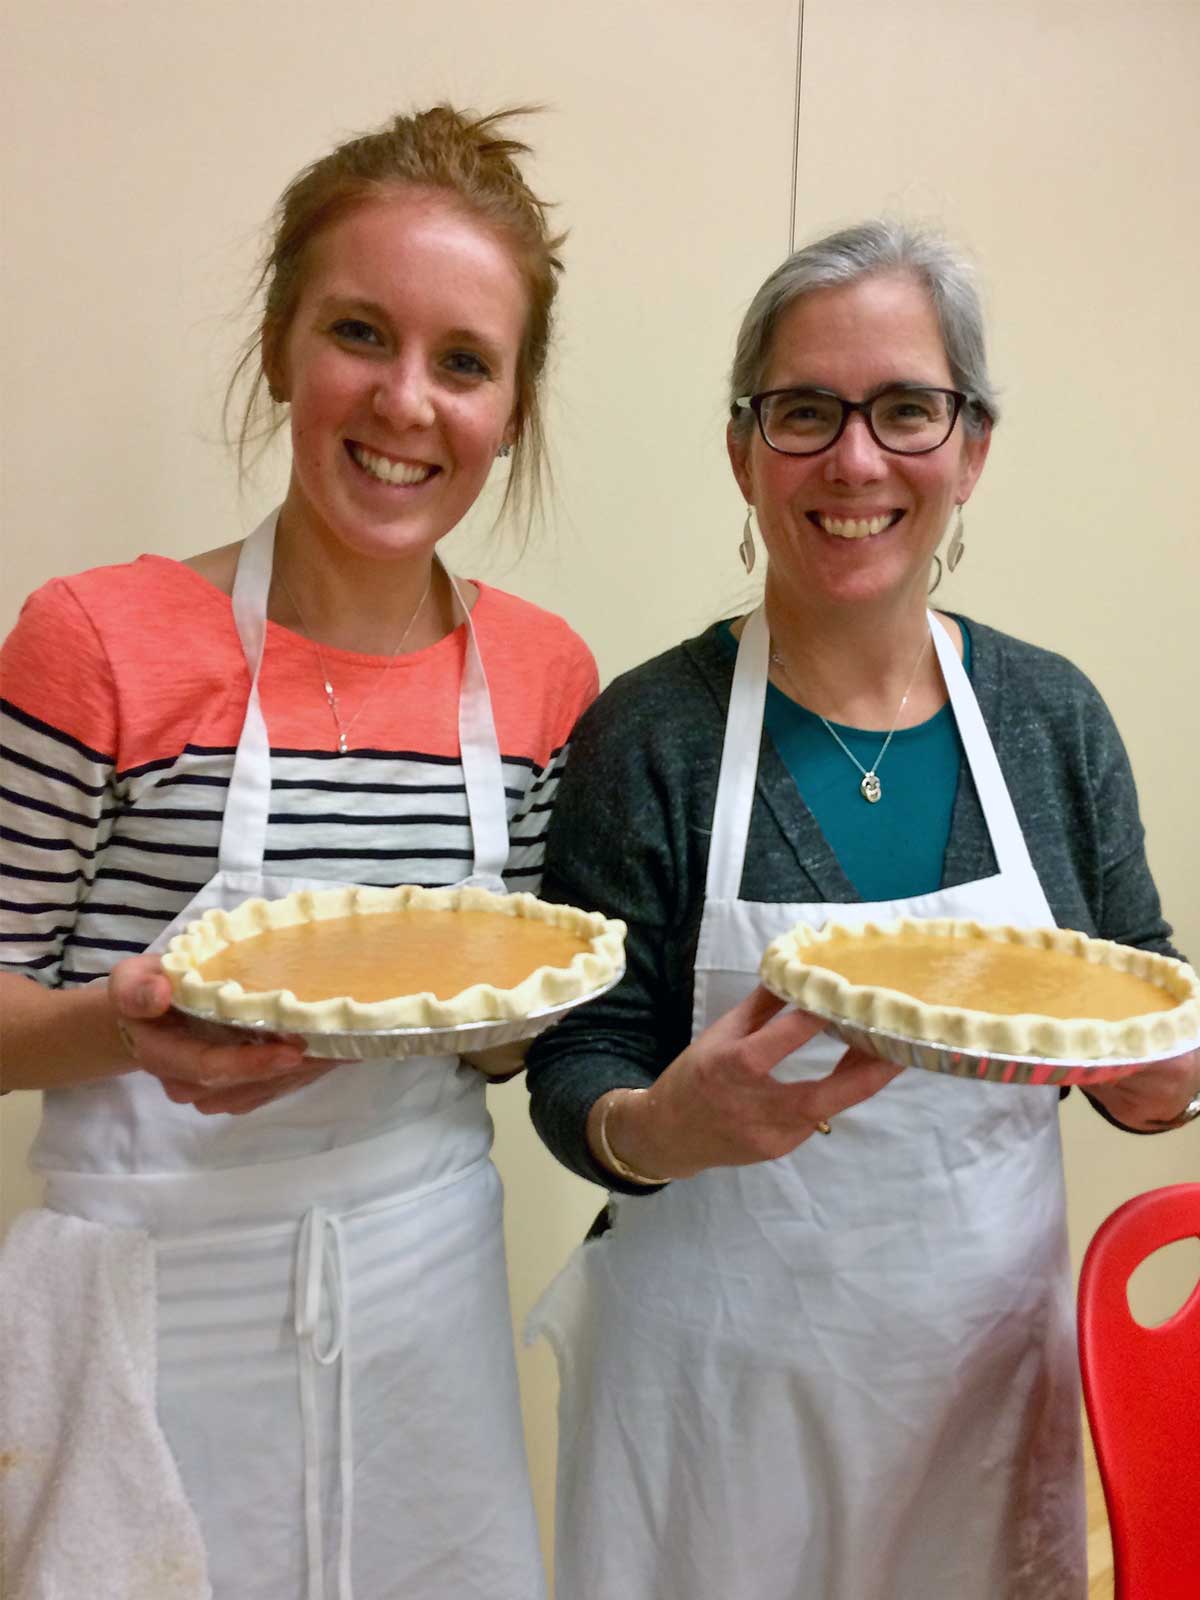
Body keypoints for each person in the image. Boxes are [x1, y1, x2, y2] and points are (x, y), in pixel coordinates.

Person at [525, 219, 1200, 1600]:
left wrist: (1166, 1084)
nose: (855, 461)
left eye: (906, 410)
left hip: (977, 1396)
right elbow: (573, 1061)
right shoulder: (648, 735)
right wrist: (657, 1126)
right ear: (740, 449)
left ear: (972, 448)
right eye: (804, 413)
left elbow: (1141, 999)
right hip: (710, 1409)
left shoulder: (1051, 720)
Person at [0, 105, 596, 1600]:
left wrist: (526, 1026)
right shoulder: (98, 643)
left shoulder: (540, 681)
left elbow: (500, 1037)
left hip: (421, 1301)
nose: (407, 402)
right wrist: (127, 1032)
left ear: (511, 407)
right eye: (358, 333)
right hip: (148, 1304)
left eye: (464, 361)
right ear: (280, 347)